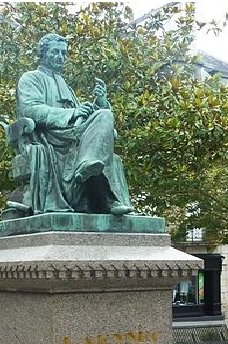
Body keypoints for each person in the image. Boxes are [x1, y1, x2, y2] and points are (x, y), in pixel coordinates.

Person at [11, 33, 135, 216]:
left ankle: (88, 168)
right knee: (99, 136)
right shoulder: (31, 78)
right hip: (52, 136)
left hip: (75, 134)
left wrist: (99, 102)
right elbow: (31, 110)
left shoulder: (65, 86)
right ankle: (104, 196)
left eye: (63, 53)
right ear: (43, 54)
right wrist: (73, 113)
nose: (60, 57)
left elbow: (81, 115)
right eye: (55, 52)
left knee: (105, 113)